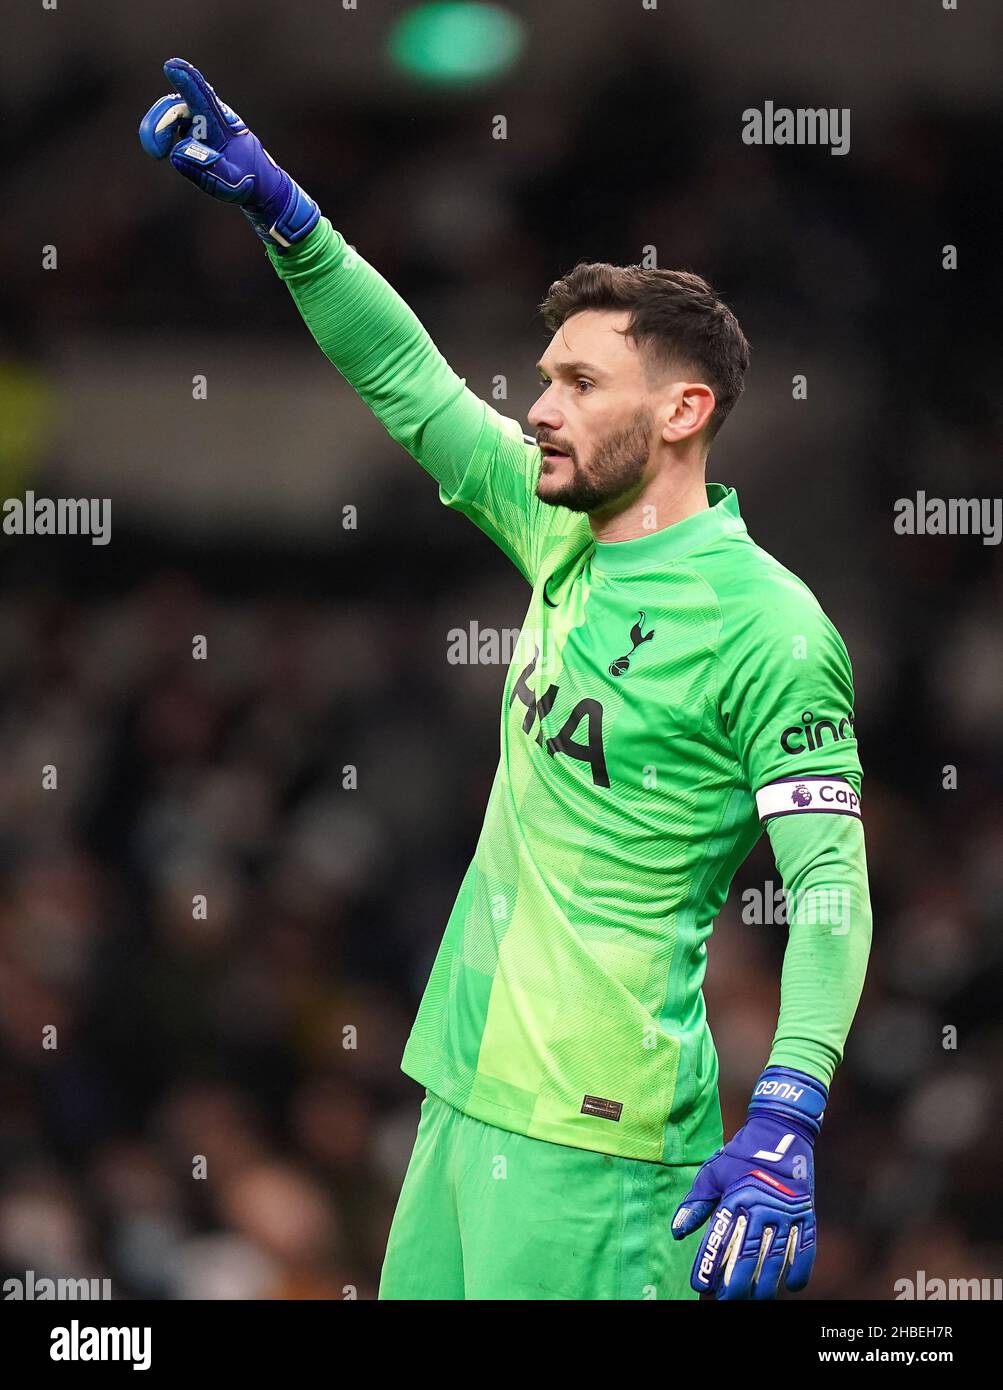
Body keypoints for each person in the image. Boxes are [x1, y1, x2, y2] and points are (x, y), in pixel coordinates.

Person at [140, 58, 872, 1301]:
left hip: (601, 1138)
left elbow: (831, 886)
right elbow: (410, 382)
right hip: (463, 1085)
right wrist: (289, 221)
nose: (538, 407)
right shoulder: (558, 530)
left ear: (684, 410)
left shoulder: (771, 628)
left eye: (579, 383)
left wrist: (790, 1104)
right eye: (544, 376)